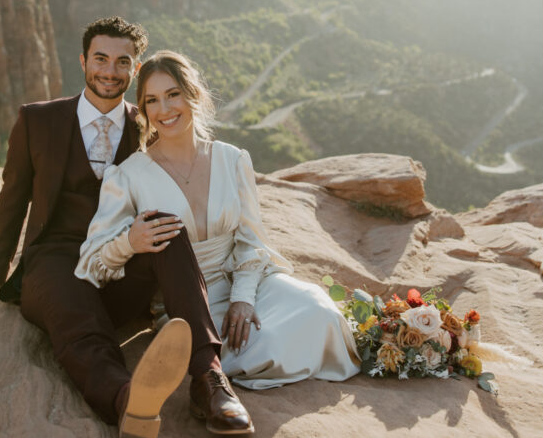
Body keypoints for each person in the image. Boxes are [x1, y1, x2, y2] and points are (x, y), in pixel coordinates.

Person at [0, 17, 252, 438]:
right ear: (83, 60)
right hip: (55, 260)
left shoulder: (149, 121)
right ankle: (127, 400)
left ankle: (209, 379)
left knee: (166, 225)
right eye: (101, 59)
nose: (110, 71)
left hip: (123, 260)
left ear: (135, 67)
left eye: (122, 62)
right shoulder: (38, 120)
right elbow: (12, 196)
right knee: (76, 313)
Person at [76, 50, 360, 391]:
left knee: (321, 313)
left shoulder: (232, 159)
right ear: (144, 110)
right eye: (152, 100)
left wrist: (244, 297)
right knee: (261, 345)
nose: (164, 110)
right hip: (189, 301)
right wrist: (128, 243)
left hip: (249, 283)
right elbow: (91, 263)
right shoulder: (127, 177)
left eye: (173, 95)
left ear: (193, 94)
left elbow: (251, 240)